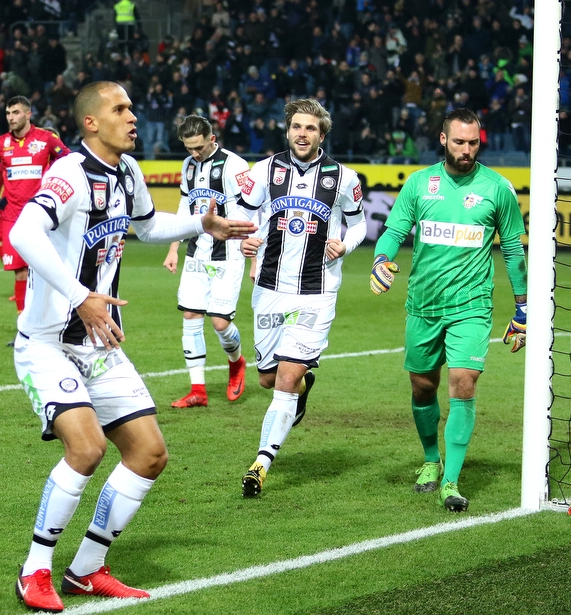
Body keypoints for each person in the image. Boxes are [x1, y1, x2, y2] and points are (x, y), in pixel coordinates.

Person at [9, 81, 255, 612]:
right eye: (120, 109)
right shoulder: (69, 173)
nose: (133, 116)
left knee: (149, 453)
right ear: (91, 122)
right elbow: (24, 233)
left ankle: (86, 570)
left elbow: (146, 226)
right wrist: (80, 297)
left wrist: (201, 223)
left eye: (132, 107)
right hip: (48, 342)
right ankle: (34, 571)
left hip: (97, 340)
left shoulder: (127, 172)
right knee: (87, 448)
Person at [370, 108, 527, 512]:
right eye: (459, 142)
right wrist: (380, 259)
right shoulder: (420, 184)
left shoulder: (497, 188)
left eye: (474, 142)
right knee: (423, 386)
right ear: (444, 140)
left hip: (471, 306)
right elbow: (393, 231)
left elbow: (512, 250)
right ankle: (430, 459)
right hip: (423, 304)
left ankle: (451, 481)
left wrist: (523, 306)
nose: (467, 150)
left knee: (463, 381)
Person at [234, 98, 367, 498]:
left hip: (317, 290)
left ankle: (261, 463)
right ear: (288, 130)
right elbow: (245, 215)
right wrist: (248, 238)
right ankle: (301, 389)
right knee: (268, 378)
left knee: (286, 378)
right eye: (296, 127)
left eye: (310, 128)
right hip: (270, 287)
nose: (302, 134)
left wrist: (345, 244)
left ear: (321, 134)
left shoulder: (343, 177)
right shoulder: (264, 170)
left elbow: (360, 224)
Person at [163, 114, 251, 408]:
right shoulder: (188, 166)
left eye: (199, 147)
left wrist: (255, 256)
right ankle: (197, 390)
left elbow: (253, 208)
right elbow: (184, 208)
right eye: (189, 148)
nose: (195, 153)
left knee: (220, 322)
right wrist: (173, 248)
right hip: (196, 251)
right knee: (190, 316)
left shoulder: (235, 166)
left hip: (229, 253)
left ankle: (236, 363)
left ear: (212, 138)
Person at [0, 96, 70, 316]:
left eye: (16, 112)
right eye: (8, 113)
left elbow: (69, 160)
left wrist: (54, 184)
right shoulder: (1, 143)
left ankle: (55, 320)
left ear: (28, 114)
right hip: (11, 217)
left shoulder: (46, 139)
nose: (11, 117)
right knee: (19, 273)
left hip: (40, 216)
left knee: (44, 271)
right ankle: (24, 329)